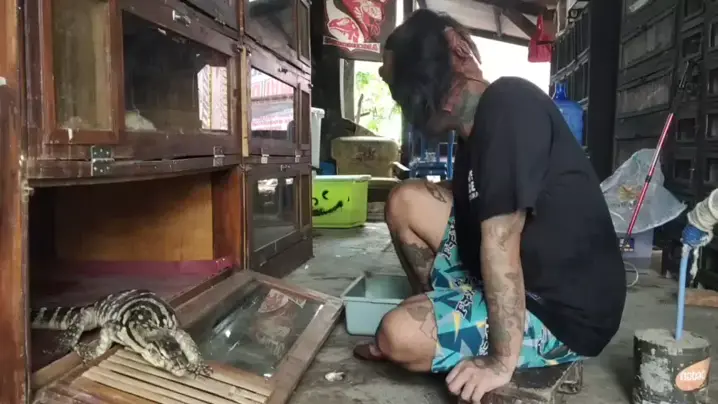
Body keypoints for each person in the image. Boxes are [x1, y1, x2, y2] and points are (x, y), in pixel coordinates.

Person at [352, 9, 627, 403]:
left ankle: (459, 339)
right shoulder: (474, 129)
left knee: (397, 335)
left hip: (563, 313)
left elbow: (501, 241)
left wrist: (500, 362)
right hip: (524, 272)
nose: (402, 97)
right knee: (404, 200)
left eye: (404, 82)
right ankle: (444, 319)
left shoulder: (509, 104)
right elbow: (472, 200)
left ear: (457, 47)